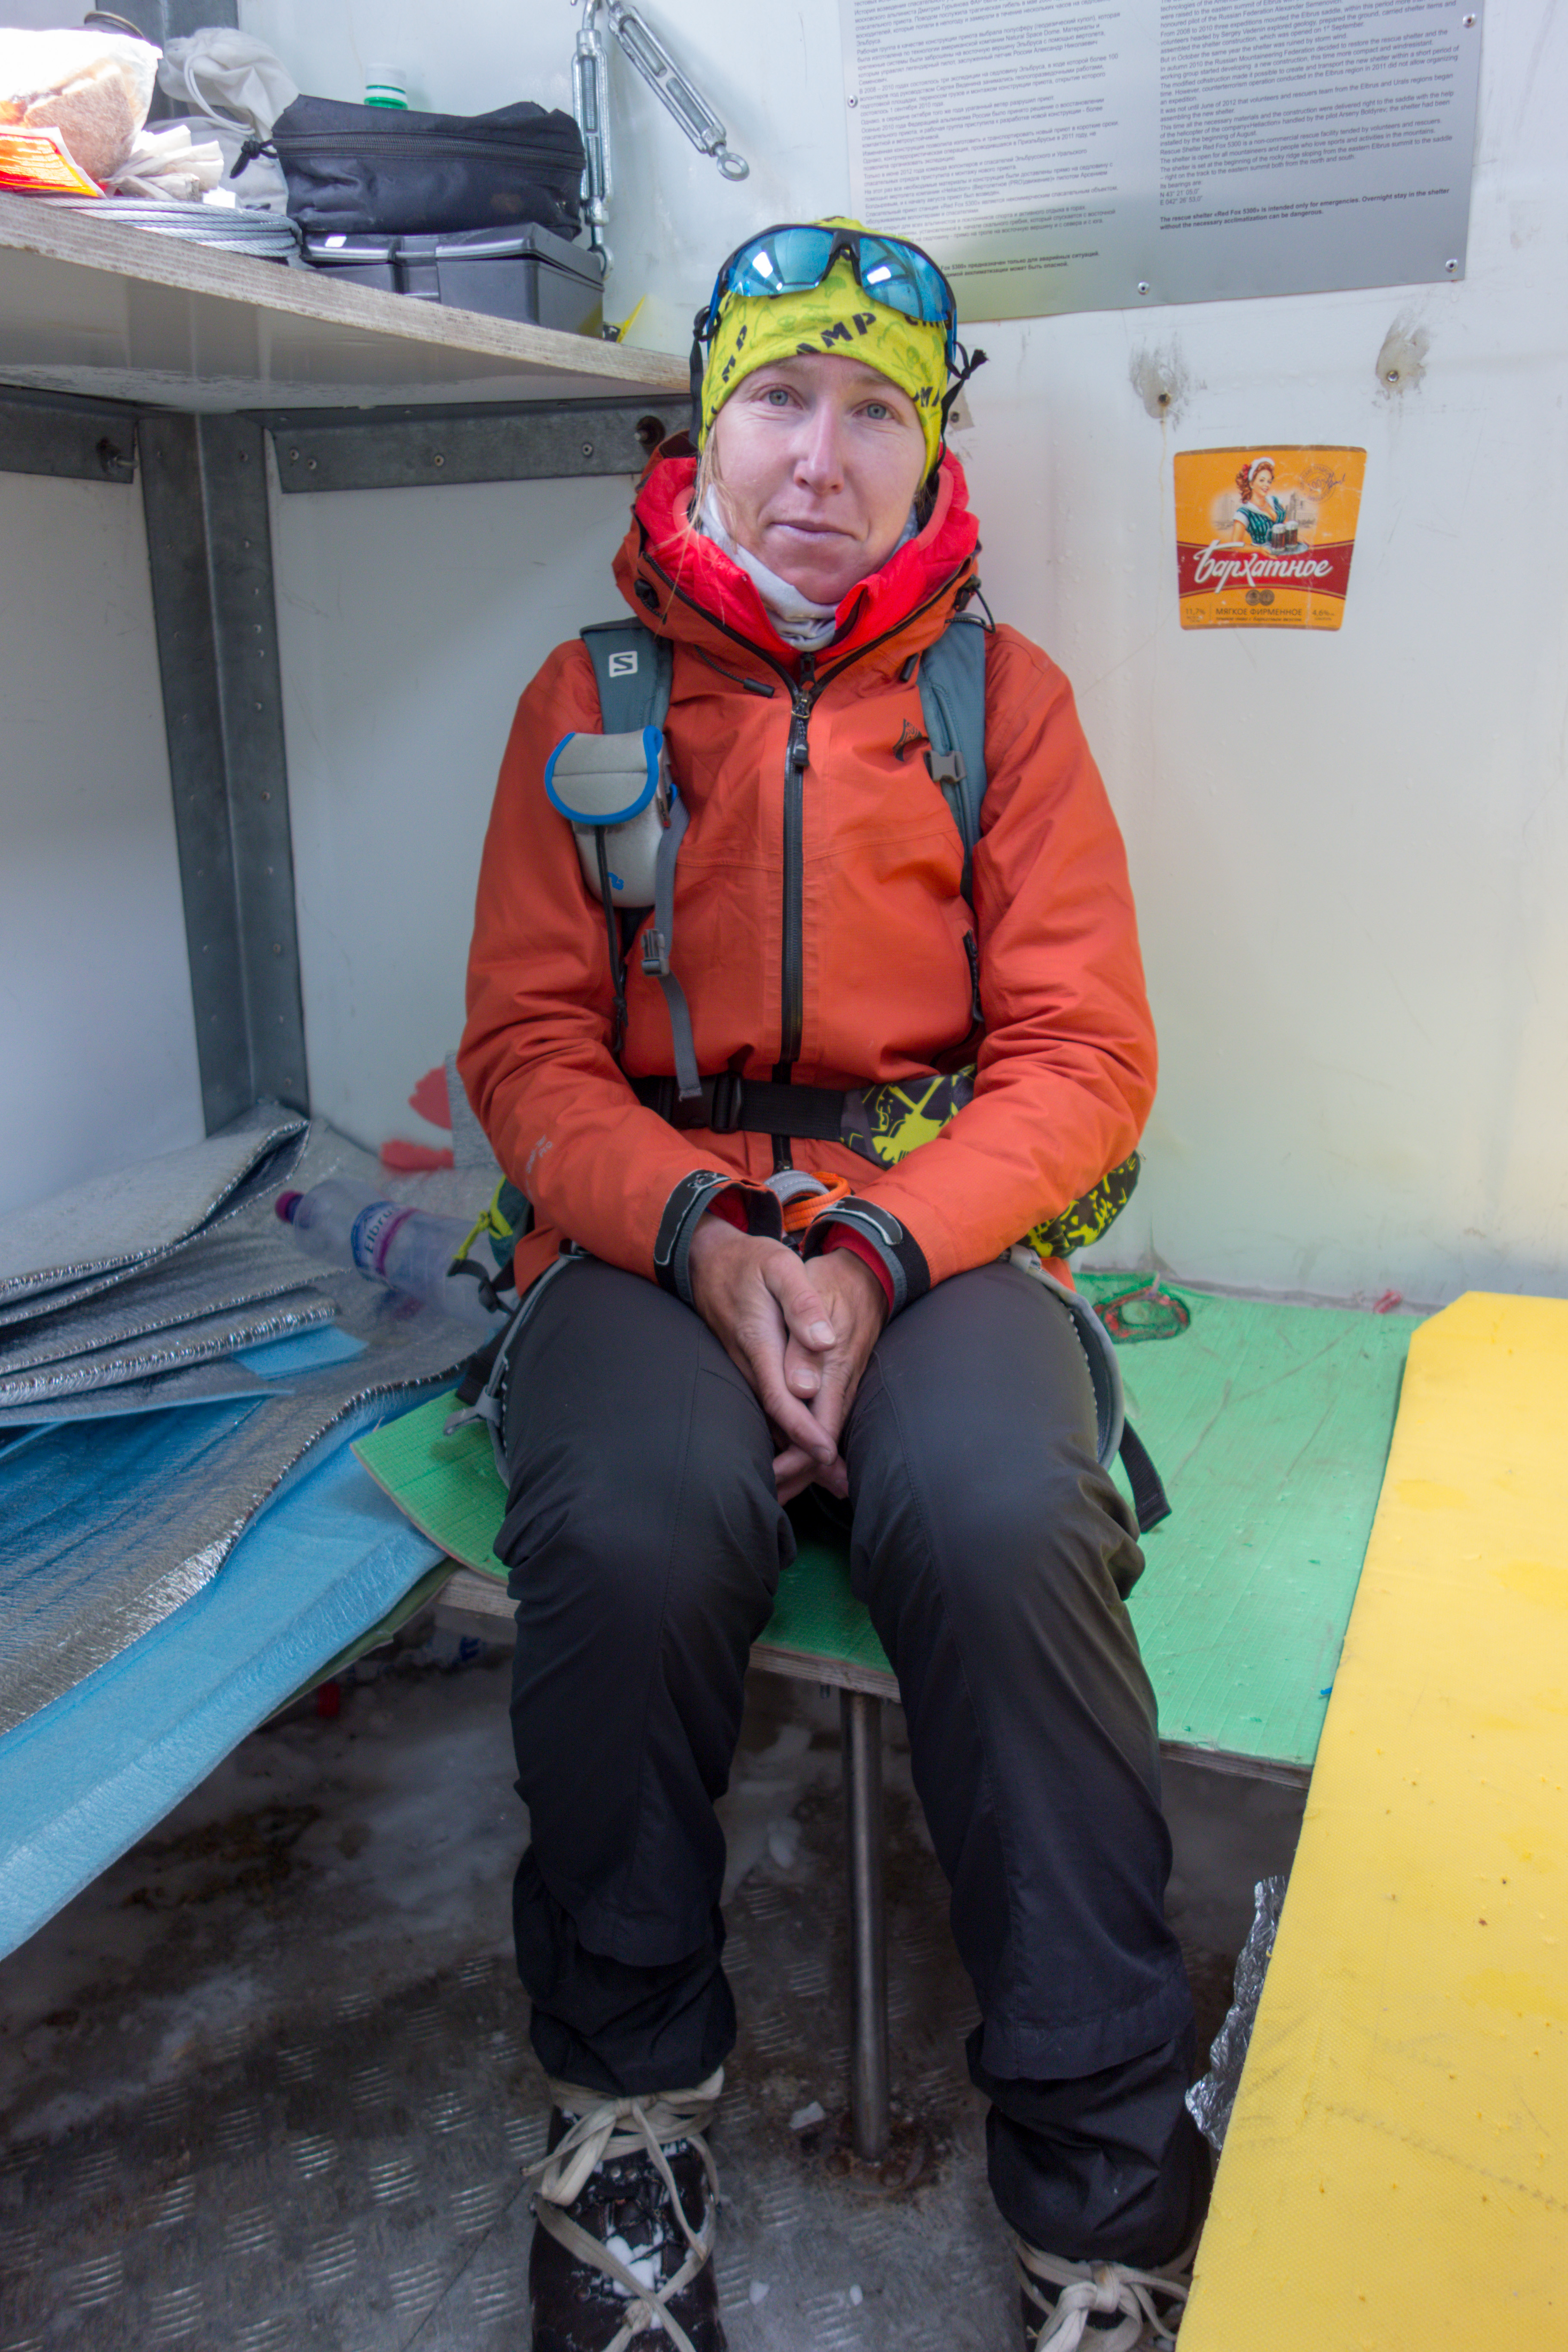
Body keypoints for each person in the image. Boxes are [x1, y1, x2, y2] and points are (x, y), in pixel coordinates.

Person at [459, 219, 1208, 2352]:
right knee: (631, 1518)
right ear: (708, 423)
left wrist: (875, 1252)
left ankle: (1105, 2198)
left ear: (930, 447)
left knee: (1004, 1517)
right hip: (652, 1228)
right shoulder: (589, 699)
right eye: (780, 397)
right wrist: (703, 1242)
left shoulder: (1000, 705)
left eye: (875, 409)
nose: (821, 453)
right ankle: (626, 2123)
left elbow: (1082, 1055)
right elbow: (527, 1051)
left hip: (931, 1225)